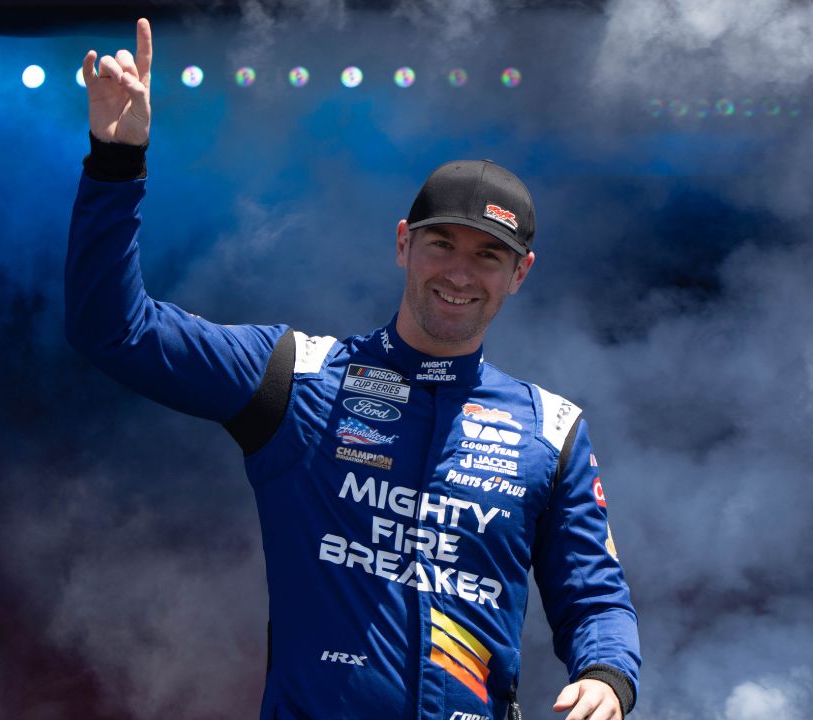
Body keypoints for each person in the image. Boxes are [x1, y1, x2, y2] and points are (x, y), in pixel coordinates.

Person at [66, 18, 641, 720]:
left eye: (487, 255)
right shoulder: (295, 377)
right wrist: (115, 163)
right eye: (441, 244)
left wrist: (609, 678)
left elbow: (595, 596)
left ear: (520, 273)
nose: (459, 273)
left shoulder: (552, 431)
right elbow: (113, 330)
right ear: (403, 244)